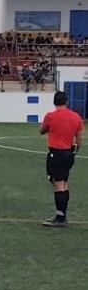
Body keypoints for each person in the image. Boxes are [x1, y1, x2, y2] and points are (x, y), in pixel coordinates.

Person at [39, 90, 83, 227]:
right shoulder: (76, 117)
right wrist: (75, 152)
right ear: (67, 102)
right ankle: (63, 214)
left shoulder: (50, 116)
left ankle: (60, 217)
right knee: (64, 183)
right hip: (69, 153)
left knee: (58, 184)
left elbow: (41, 130)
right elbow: (80, 138)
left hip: (56, 154)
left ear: (54, 102)